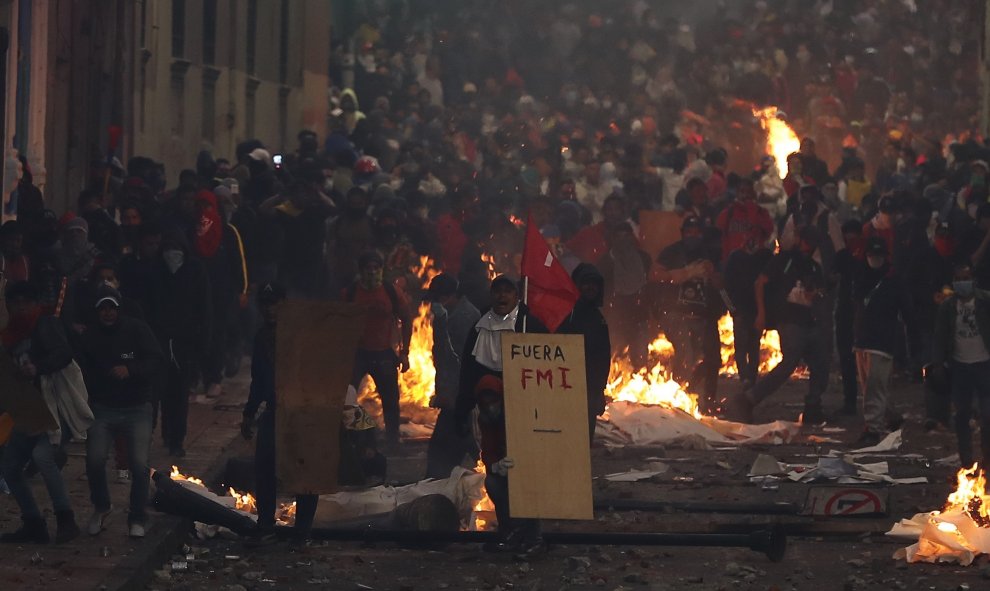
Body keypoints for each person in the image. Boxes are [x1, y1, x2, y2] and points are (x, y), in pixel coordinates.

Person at [454, 276, 548, 559]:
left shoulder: (530, 325)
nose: (502, 296)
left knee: (528, 475)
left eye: (508, 291)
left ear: (517, 295)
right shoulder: (480, 327)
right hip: (491, 402)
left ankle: (533, 535)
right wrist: (463, 408)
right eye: (497, 291)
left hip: (527, 408)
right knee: (496, 479)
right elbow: (469, 371)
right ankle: (509, 531)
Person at [77, 284, 162, 538]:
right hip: (103, 409)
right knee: (93, 460)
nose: (107, 313)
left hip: (136, 407)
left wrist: (131, 369)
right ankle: (102, 507)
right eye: (102, 308)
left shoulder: (136, 329)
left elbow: (156, 359)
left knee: (138, 465)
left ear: (119, 309)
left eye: (111, 308)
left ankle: (137, 516)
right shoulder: (90, 337)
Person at [0, 281, 79, 544]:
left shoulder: (45, 324)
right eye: (15, 302)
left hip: (51, 407)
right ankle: (33, 522)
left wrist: (39, 367)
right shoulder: (9, 334)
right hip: (26, 409)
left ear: (34, 303)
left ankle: (66, 519)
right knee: (10, 466)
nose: (20, 307)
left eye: (25, 301)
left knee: (43, 458)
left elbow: (64, 353)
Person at [240, 282, 319, 538]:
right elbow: (259, 379)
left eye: (275, 304)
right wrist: (249, 413)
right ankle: (265, 523)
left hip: (301, 411)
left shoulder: (301, 333)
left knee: (303, 470)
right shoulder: (262, 336)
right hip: (275, 409)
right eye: (266, 304)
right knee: (265, 466)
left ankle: (303, 528)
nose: (271, 309)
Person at [730, 226, 829, 424]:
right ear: (799, 239)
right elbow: (761, 282)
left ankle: (813, 405)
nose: (808, 247)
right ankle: (749, 398)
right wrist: (762, 313)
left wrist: (815, 295)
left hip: (809, 320)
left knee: (820, 363)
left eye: (812, 244)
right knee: (788, 363)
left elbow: (820, 292)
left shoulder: (813, 266)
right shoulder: (785, 260)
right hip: (789, 319)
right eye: (806, 242)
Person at [655, 216, 723, 412]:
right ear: (682, 233)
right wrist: (680, 274)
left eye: (696, 232)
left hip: (704, 314)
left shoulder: (710, 252)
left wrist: (713, 274)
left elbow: (721, 283)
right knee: (685, 353)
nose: (693, 236)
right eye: (689, 232)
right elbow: (654, 274)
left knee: (713, 359)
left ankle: (707, 400)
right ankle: (677, 399)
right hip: (676, 313)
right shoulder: (672, 252)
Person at [153, 233, 212, 457]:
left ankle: (177, 438)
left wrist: (202, 341)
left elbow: (204, 307)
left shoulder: (195, 270)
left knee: (179, 393)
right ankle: (167, 433)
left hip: (185, 343)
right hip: (160, 340)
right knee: (163, 392)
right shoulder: (157, 270)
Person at [345, 251, 411, 448]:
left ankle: (392, 440)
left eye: (376, 268)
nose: (372, 273)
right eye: (368, 269)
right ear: (361, 271)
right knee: (347, 397)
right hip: (357, 353)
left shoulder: (391, 292)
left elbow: (407, 320)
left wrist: (405, 352)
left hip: (383, 353)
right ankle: (354, 436)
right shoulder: (350, 293)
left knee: (390, 400)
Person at [852, 238, 912, 444]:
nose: (874, 260)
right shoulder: (861, 277)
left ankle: (873, 429)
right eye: (871, 256)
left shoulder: (894, 281)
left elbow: (907, 313)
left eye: (877, 256)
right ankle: (890, 416)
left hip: (882, 342)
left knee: (874, 387)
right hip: (862, 341)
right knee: (870, 386)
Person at [932, 263, 990, 469]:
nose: (962, 282)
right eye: (958, 279)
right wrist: (938, 363)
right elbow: (940, 337)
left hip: (984, 365)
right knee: (962, 414)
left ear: (973, 280)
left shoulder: (985, 301)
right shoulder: (947, 307)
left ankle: (987, 459)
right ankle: (966, 460)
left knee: (987, 415)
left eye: (965, 278)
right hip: (959, 367)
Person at [424, 273, 481, 479]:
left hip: (462, 396)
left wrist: (451, 394)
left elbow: (458, 360)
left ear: (446, 297)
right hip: (456, 398)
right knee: (457, 445)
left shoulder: (463, 318)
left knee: (459, 444)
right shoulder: (451, 315)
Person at [558, 263, 612, 440]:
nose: (591, 288)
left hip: (589, 388)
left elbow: (603, 359)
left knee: (584, 439)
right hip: (563, 383)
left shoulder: (599, 319)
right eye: (586, 283)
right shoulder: (565, 314)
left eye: (594, 284)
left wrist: (599, 391)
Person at [723, 227, 774, 389]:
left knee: (753, 346)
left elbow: (771, 284)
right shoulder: (735, 257)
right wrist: (732, 309)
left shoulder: (766, 257)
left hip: (757, 310)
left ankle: (750, 379)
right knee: (741, 347)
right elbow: (724, 286)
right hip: (740, 310)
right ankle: (745, 378)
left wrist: (765, 311)